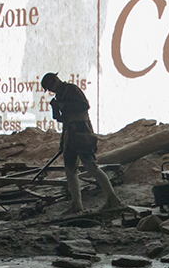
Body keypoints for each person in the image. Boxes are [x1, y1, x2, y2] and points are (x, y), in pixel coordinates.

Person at [40, 72, 123, 214]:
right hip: (70, 136)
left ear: (55, 80)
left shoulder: (71, 89)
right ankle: (76, 204)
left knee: (91, 166)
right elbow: (64, 120)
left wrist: (63, 105)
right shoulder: (60, 95)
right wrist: (56, 111)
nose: (51, 91)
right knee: (70, 170)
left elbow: (84, 105)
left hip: (81, 133)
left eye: (50, 86)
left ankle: (113, 198)